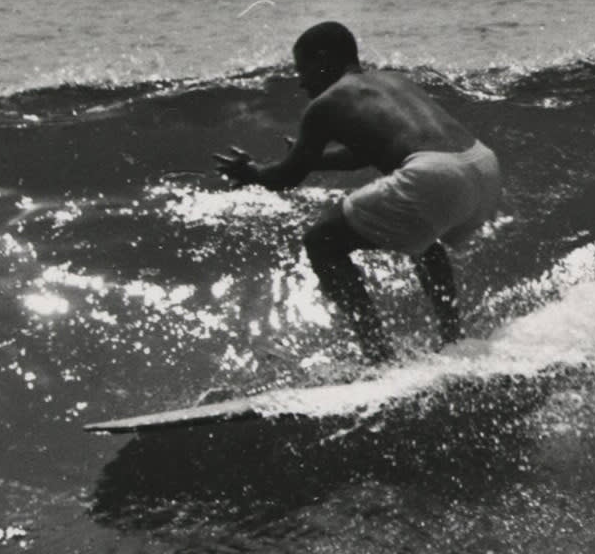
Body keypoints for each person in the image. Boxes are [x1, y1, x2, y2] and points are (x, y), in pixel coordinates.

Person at [213, 22, 502, 364]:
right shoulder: (394, 80)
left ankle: (377, 356)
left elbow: (286, 177)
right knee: (425, 236)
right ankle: (453, 340)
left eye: (302, 70)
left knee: (321, 241)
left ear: (323, 59)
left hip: (435, 173)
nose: (302, 82)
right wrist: (316, 158)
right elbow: (365, 154)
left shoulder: (326, 104)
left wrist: (252, 173)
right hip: (482, 166)